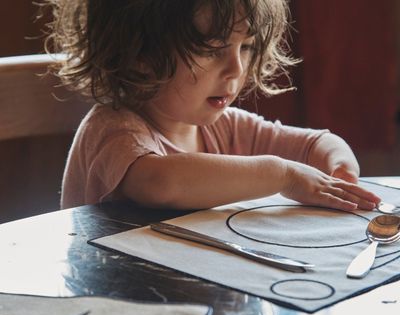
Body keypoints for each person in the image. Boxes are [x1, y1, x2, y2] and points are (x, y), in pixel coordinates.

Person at [41, 0, 380, 211]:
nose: (236, 69)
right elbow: (161, 183)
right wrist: (282, 175)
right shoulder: (114, 128)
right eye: (213, 50)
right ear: (140, 54)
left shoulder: (222, 125)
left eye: (246, 48)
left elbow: (316, 143)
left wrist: (339, 171)